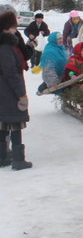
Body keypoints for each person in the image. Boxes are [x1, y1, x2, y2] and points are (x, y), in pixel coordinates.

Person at [0, 11, 33, 170]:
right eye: (13, 28)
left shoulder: (7, 45)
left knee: (4, 122)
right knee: (15, 123)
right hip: (9, 92)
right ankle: (19, 160)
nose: (15, 31)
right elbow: (11, 73)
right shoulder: (6, 47)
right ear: (6, 29)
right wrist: (21, 94)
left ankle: (2, 158)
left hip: (4, 92)